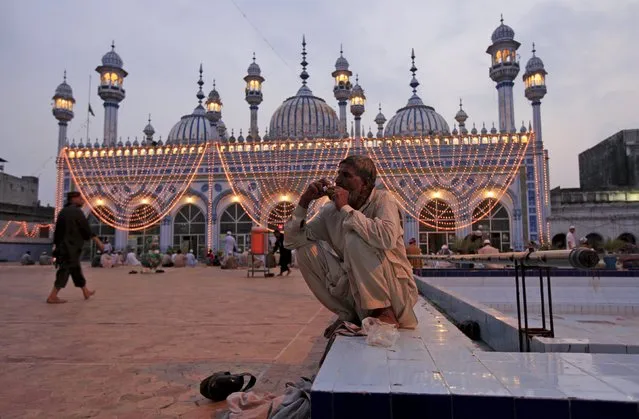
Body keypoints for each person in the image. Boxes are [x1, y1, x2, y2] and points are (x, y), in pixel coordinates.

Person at [284, 155, 418, 329]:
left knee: (355, 237)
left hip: (395, 293)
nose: (338, 180)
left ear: (365, 183)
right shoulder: (331, 211)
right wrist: (304, 201)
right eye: (338, 174)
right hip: (356, 291)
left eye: (346, 175)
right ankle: (349, 314)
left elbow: (386, 238)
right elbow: (292, 241)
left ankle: (384, 312)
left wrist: (346, 209)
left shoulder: (383, 200)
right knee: (304, 250)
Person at [47, 191, 103, 304]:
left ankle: (85, 291)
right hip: (70, 247)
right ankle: (52, 296)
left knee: (76, 270)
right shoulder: (76, 211)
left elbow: (57, 233)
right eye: (80, 198)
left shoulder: (63, 212)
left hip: (65, 247)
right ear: (73, 199)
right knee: (65, 270)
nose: (82, 200)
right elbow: (85, 228)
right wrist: (97, 241)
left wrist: (56, 249)